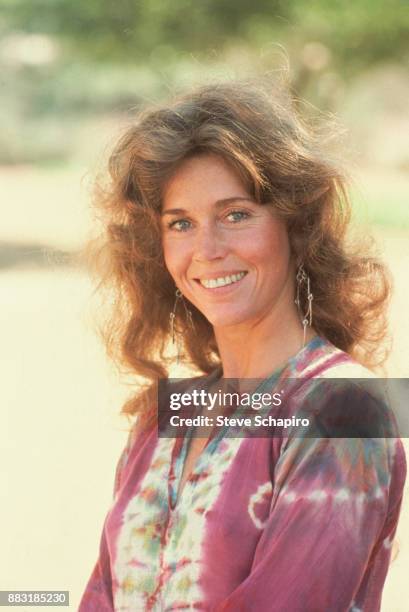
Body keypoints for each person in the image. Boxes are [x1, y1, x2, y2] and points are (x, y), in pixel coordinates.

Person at [78, 80, 406, 611]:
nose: (207, 250)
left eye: (236, 215)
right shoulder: (165, 418)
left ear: (295, 229)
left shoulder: (346, 411)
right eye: (181, 223)